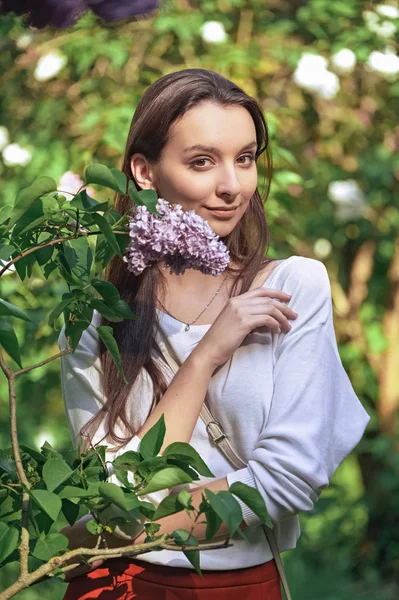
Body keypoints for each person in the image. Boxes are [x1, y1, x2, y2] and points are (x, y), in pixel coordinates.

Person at [58, 68, 370, 600]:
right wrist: (205, 357)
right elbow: (112, 490)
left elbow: (287, 479)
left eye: (244, 158)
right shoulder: (94, 313)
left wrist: (122, 530)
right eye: (202, 161)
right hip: (112, 585)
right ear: (144, 171)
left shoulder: (292, 288)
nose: (232, 185)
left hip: (235, 586)